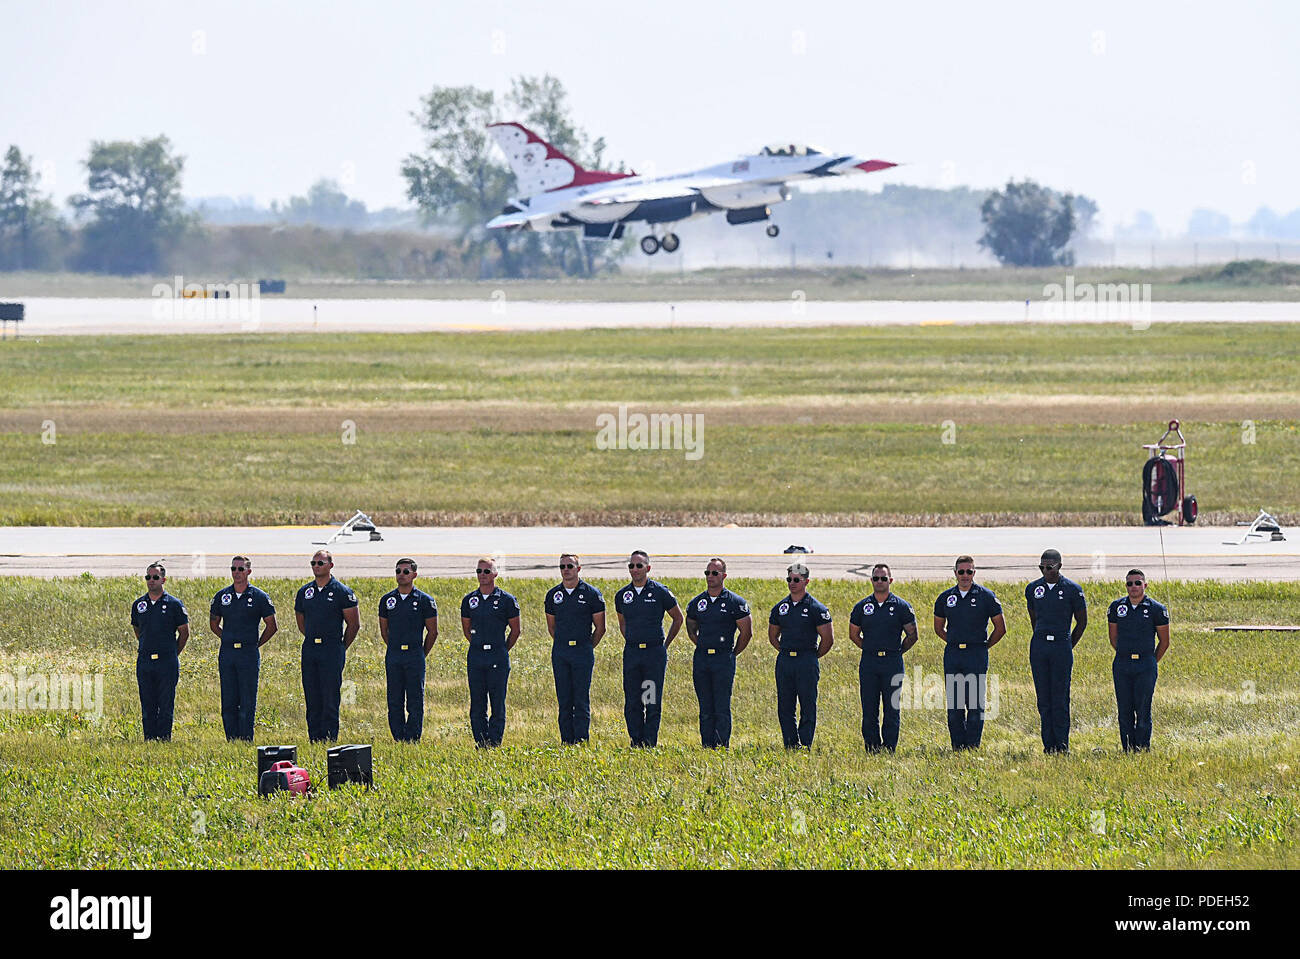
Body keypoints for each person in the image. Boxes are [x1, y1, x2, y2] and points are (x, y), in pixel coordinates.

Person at [932, 556, 1005, 750]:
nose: (965, 576)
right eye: (961, 572)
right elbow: (939, 628)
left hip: (976, 654)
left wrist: (983, 646)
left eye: (969, 572)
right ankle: (957, 746)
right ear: (955, 573)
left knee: (974, 703)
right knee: (955, 704)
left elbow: (1000, 628)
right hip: (954, 655)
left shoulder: (986, 596)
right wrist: (955, 642)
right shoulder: (946, 598)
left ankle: (973, 746)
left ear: (974, 573)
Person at [615, 550, 683, 747]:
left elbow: (678, 618)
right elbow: (622, 622)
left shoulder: (660, 592)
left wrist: (665, 644)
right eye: (631, 566)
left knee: (650, 698)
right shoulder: (622, 595)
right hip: (632, 653)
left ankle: (649, 741)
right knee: (632, 700)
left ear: (648, 568)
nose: (635, 570)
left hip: (654, 654)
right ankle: (635, 740)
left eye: (639, 566)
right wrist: (630, 639)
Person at [684, 558, 752, 748]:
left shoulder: (735, 603)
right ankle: (706, 744)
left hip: (723, 659)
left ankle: (722, 744)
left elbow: (746, 632)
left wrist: (732, 653)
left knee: (721, 705)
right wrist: (704, 646)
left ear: (724, 576)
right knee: (705, 706)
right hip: (702, 659)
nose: (710, 577)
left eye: (715, 573)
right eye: (708, 573)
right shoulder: (697, 603)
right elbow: (691, 629)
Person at [849, 563, 917, 752]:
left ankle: (889, 748)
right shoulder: (862, 607)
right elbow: (853, 634)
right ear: (871, 580)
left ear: (890, 581)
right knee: (869, 708)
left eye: (883, 578)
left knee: (891, 709)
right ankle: (872, 747)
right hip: (869, 663)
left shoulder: (901, 606)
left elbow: (913, 635)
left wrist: (897, 651)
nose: (880, 582)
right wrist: (870, 649)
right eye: (876, 578)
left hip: (893, 663)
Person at [1025, 548, 1087, 753]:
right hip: (1040, 646)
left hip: (1061, 645)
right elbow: (1034, 617)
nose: (1045, 571)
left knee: (1060, 697)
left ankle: (1062, 744)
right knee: (1044, 697)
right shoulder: (1033, 588)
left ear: (1059, 566)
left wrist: (1069, 643)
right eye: (1041, 567)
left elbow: (1081, 622)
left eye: (1049, 567)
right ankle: (1048, 744)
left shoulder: (1072, 589)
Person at [209, 555, 277, 741]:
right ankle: (231, 737)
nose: (236, 573)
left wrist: (256, 644)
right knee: (229, 697)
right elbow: (214, 623)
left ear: (249, 571)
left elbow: (272, 625)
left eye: (240, 569)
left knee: (247, 697)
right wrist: (228, 638)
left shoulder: (259, 597)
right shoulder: (222, 596)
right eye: (233, 569)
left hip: (248, 652)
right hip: (228, 652)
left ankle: (246, 738)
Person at [293, 550, 359, 742]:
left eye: (320, 563)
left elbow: (353, 625)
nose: (316, 567)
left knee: (330, 697)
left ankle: (329, 738)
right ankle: (314, 738)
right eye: (313, 563)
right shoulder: (305, 592)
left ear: (330, 565)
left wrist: (340, 647)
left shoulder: (342, 592)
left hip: (332, 648)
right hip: (311, 648)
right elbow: (301, 620)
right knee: (312, 695)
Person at [768, 563, 833, 748]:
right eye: (789, 579)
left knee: (807, 704)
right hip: (786, 660)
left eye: (796, 579)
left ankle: (805, 743)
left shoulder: (816, 608)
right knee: (785, 705)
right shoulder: (781, 607)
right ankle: (790, 743)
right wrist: (785, 652)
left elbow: (827, 639)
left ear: (806, 581)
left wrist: (812, 656)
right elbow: (773, 636)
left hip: (807, 660)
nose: (792, 583)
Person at [545, 554, 605, 744]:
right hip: (561, 651)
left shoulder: (591, 594)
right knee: (564, 698)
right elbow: (552, 627)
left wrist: (586, 646)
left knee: (580, 698)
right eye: (562, 566)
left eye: (570, 566)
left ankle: (581, 740)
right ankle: (566, 740)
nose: (566, 569)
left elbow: (600, 628)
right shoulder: (553, 595)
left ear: (578, 569)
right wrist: (564, 643)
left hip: (582, 652)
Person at [460, 557, 521, 747]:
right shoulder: (469, 600)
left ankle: (494, 741)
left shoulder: (506, 600)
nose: (482, 575)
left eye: (487, 571)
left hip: (498, 655)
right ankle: (480, 740)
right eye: (479, 571)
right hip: (476, 655)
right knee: (477, 701)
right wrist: (479, 644)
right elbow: (466, 629)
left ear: (495, 574)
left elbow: (515, 630)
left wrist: (501, 648)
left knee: (497, 701)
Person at [1108, 569, 1171, 751]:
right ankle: (1127, 747)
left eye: (1137, 583)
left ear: (1145, 585)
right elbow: (1113, 638)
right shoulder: (1116, 607)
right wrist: (1125, 654)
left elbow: (1164, 641)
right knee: (1124, 708)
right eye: (1130, 583)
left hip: (1145, 664)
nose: (1134, 587)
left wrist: (1150, 661)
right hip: (1122, 664)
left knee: (1143, 708)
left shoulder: (1156, 609)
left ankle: (1142, 748)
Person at [379, 558, 438, 742]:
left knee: (415, 699)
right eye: (398, 571)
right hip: (394, 654)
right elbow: (384, 631)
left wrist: (420, 653)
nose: (401, 575)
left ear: (414, 575)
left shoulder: (424, 600)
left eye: (406, 572)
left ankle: (412, 737)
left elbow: (433, 632)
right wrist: (395, 648)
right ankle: (398, 736)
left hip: (414, 654)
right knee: (394, 698)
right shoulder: (387, 600)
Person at [130, 562, 189, 741]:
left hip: (167, 661)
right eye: (148, 577)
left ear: (163, 579)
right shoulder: (139, 604)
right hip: (145, 661)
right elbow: (137, 630)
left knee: (165, 702)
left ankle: (164, 738)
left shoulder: (173, 604)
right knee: (147, 701)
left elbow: (184, 633)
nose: (151, 581)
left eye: (155, 577)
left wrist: (172, 653)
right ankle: (149, 738)